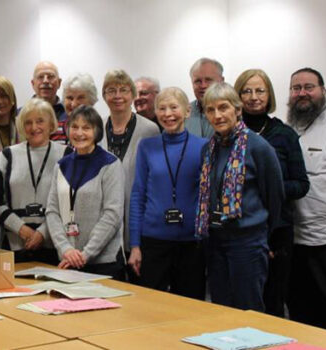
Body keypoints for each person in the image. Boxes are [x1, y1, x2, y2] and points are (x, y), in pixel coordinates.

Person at [196, 82, 284, 312]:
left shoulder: (258, 147)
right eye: (211, 110)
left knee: (248, 307)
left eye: (223, 107)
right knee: (221, 306)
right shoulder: (209, 148)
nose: (217, 115)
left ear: (237, 109)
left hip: (248, 241)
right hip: (215, 239)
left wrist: (266, 236)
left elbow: (275, 197)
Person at [234, 69, 309, 317]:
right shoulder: (228, 134)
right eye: (247, 91)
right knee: (239, 304)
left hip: (276, 231)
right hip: (238, 231)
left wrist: (265, 187)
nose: (254, 97)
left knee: (272, 301)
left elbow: (301, 184)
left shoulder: (284, 134)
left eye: (260, 91)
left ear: (269, 95)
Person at [127, 87, 208, 299]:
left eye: (174, 107)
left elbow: (208, 196)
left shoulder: (204, 147)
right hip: (153, 241)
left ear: (187, 111)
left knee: (190, 307)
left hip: (192, 242)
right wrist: (135, 246)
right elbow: (138, 195)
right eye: (162, 108)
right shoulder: (147, 146)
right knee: (150, 305)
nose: (168, 114)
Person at [287, 67, 326, 332]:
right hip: (293, 240)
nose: (302, 93)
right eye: (296, 88)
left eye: (309, 87)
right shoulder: (283, 129)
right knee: (300, 310)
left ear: (323, 91)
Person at [46, 105, 125, 279]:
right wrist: (66, 249)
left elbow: (112, 214)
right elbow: (52, 211)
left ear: (96, 131)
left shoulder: (110, 165)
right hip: (68, 260)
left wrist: (86, 254)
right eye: (74, 127)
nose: (79, 133)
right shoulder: (61, 165)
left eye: (86, 128)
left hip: (104, 263)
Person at [99, 69, 160, 266]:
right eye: (111, 90)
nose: (117, 96)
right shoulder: (96, 129)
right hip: (103, 219)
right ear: (104, 96)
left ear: (133, 95)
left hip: (138, 220)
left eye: (124, 90)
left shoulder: (149, 130)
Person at [0, 98, 67, 264]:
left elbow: (69, 203)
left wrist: (43, 233)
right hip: (15, 244)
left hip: (54, 245)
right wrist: (22, 230)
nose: (34, 127)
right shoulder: (7, 155)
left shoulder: (67, 155)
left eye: (40, 121)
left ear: (51, 124)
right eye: (28, 122)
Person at [29, 61, 67, 142]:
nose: (45, 81)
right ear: (33, 83)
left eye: (50, 77)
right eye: (40, 77)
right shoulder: (20, 115)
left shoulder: (69, 114)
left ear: (59, 83)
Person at [186, 58, 223, 138]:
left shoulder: (232, 112)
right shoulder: (183, 113)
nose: (203, 86)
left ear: (222, 81)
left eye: (208, 80)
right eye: (198, 81)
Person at [62, 73, 99, 145]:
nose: (73, 104)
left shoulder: (100, 129)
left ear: (92, 101)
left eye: (80, 98)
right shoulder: (54, 129)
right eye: (70, 98)